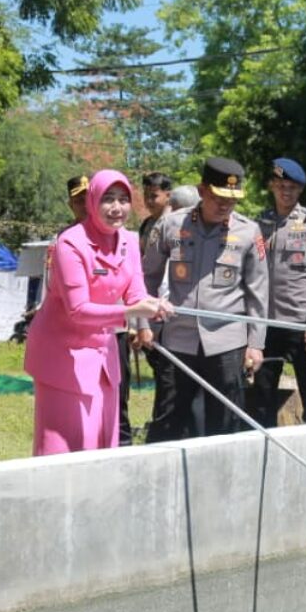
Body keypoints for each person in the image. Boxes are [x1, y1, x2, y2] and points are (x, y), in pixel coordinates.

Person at [24, 170, 170, 455]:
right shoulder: (70, 243)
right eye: (108, 199)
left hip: (102, 353)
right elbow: (77, 310)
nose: (117, 208)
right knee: (68, 442)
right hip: (63, 356)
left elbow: (136, 293)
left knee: (103, 437)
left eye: (123, 199)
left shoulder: (128, 240)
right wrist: (129, 313)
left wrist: (156, 304)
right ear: (92, 202)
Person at [142, 156, 268, 440]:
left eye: (232, 200)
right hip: (178, 340)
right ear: (202, 191)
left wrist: (256, 343)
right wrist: (143, 323)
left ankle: (222, 481)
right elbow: (147, 276)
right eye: (219, 197)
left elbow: (258, 291)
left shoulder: (249, 232)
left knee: (225, 424)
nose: (225, 205)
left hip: (227, 343)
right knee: (168, 422)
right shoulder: (171, 225)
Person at [252, 157, 306, 426]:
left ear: (300, 191)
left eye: (293, 188)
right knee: (261, 397)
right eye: (281, 185)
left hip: (302, 325)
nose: (286, 192)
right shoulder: (260, 223)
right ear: (272, 186)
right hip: (267, 323)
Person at [134, 172, 174, 442]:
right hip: (148, 303)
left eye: (154, 195)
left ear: (168, 195)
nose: (149, 200)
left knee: (171, 378)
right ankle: (160, 426)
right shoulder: (147, 224)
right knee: (162, 375)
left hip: (170, 306)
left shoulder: (176, 224)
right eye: (146, 194)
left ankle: (165, 429)